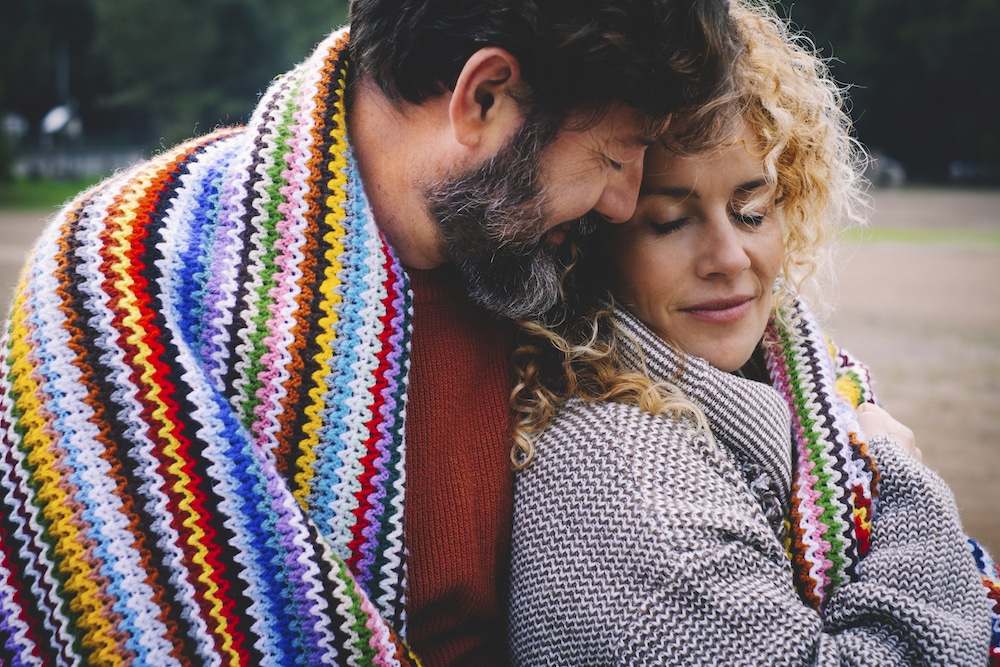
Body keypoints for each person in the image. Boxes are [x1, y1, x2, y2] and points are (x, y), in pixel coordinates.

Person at [0, 1, 743, 665]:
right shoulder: (124, 267)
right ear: (483, 96)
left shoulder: (556, 258)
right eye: (614, 157)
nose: (623, 202)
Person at [507, 1, 999, 664]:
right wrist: (908, 487)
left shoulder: (807, 383)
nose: (730, 257)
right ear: (586, 245)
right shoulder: (624, 482)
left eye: (751, 209)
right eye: (668, 222)